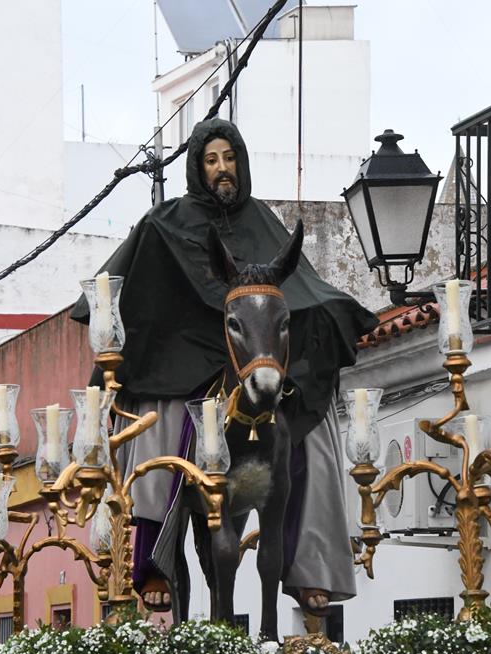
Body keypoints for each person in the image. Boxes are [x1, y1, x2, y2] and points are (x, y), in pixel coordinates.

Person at [72, 118, 377, 617]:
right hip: (186, 360)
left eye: (229, 159)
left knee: (318, 435)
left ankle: (309, 567)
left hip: (252, 355)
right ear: (198, 167)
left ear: (241, 163)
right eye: (212, 160)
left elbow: (300, 288)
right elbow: (127, 293)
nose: (222, 169)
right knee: (156, 426)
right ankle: (153, 561)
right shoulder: (164, 222)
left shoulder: (262, 220)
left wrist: (332, 314)